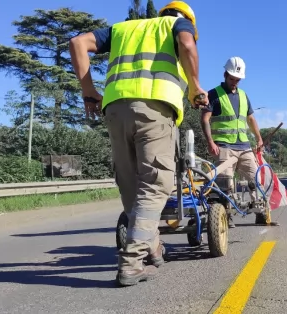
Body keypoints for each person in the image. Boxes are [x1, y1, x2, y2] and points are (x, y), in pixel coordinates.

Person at [68, 0, 208, 287]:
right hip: (154, 109)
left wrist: (88, 91)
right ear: (188, 19)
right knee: (155, 184)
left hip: (115, 110)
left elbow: (77, 42)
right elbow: (186, 44)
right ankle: (132, 262)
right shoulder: (177, 25)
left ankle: (154, 247)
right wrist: (195, 87)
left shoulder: (123, 29)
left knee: (131, 184)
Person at [200, 56, 267, 228]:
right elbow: (205, 119)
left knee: (255, 179)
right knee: (225, 184)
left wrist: (258, 138)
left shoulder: (244, 96)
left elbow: (251, 119)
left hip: (244, 146)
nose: (234, 82)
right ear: (225, 75)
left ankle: (259, 212)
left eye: (237, 80)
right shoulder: (214, 94)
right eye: (232, 79)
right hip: (224, 146)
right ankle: (225, 216)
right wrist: (210, 142)